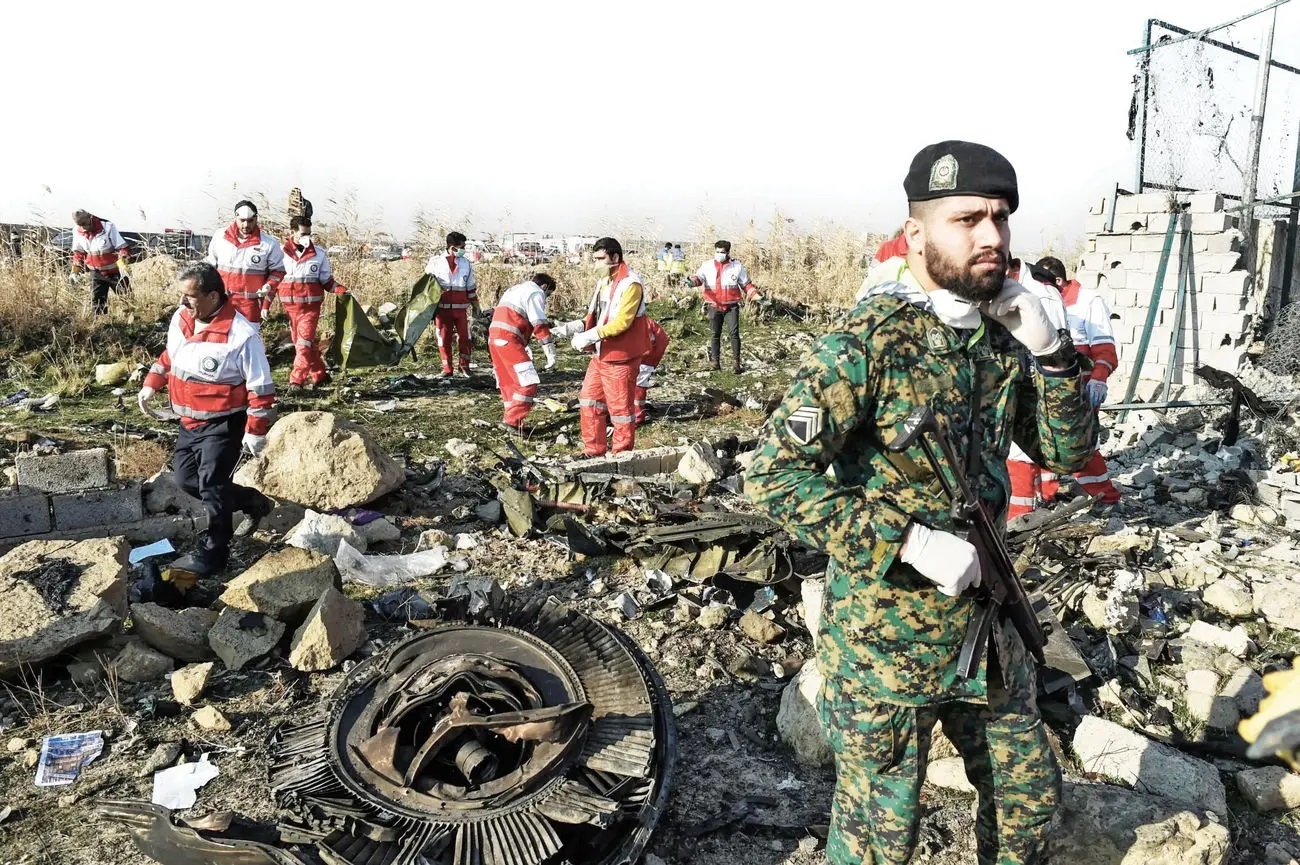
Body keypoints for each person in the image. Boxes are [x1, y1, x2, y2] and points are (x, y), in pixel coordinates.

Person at [745, 141, 1096, 865]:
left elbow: (1063, 453)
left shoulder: (1000, 340)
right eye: (967, 219)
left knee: (1029, 803)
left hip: (988, 627)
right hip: (885, 641)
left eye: (1001, 218)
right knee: (881, 839)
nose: (992, 236)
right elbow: (773, 473)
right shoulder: (867, 343)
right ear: (917, 235)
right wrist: (906, 541)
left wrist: (1056, 354)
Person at [138, 262, 276, 576]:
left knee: (212, 485)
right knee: (188, 481)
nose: (184, 302)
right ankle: (253, 501)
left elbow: (262, 388)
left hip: (224, 423)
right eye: (182, 296)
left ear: (213, 296)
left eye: (190, 296)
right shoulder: (181, 318)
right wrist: (151, 385)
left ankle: (215, 552)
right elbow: (170, 356)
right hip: (188, 421)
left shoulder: (242, 336)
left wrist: (255, 431)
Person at [1035, 255, 1122, 510]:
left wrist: (1098, 380)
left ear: (1058, 281)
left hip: (1081, 390)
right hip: (1049, 389)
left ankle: (1105, 498)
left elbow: (1105, 348)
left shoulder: (1087, 302)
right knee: (1043, 440)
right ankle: (1047, 495)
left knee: (1081, 447)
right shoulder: (1045, 301)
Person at [572, 237, 651, 455]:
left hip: (621, 357)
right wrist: (577, 328)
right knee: (589, 402)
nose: (596, 264)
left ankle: (621, 455)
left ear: (615, 257)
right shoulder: (605, 282)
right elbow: (600, 315)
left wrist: (591, 335)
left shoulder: (631, 284)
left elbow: (623, 322)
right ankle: (593, 450)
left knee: (620, 411)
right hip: (601, 354)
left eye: (600, 259)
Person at [263, 215, 348, 392]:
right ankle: (320, 375)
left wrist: (341, 290)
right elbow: (273, 283)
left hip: (310, 310)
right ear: (292, 232)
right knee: (304, 345)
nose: (306, 237)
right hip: (291, 311)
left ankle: (296, 381)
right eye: (303, 234)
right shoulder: (279, 254)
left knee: (302, 346)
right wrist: (265, 305)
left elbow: (327, 281)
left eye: (309, 234)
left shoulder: (319, 254)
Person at [488, 273, 574, 431]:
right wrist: (550, 351)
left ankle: (513, 422)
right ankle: (512, 421)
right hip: (509, 340)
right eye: (547, 295)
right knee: (528, 382)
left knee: (509, 383)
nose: (545, 299)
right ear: (544, 287)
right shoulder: (535, 292)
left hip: (495, 339)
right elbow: (539, 323)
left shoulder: (514, 290)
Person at [685, 240, 762, 372]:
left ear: (728, 252)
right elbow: (698, 278)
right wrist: (691, 282)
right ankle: (715, 362)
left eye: (722, 252)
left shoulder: (736, 266)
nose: (719, 254)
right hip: (714, 305)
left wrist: (757, 296)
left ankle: (736, 363)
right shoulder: (707, 265)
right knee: (715, 334)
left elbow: (746, 285)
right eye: (717, 251)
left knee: (734, 334)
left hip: (731, 306)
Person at [205, 200, 285, 325]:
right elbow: (210, 266)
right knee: (219, 340)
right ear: (235, 217)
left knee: (248, 340)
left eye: (250, 221)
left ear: (256, 219)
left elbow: (278, 271)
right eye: (242, 220)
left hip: (250, 304)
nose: (246, 225)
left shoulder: (268, 244)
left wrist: (269, 286)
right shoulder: (220, 237)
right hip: (221, 301)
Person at [425, 230, 480, 376]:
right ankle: (447, 369)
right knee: (444, 340)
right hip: (442, 310)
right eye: (461, 247)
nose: (463, 250)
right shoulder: (435, 263)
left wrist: (476, 306)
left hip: (461, 310)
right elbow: (427, 286)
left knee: (465, 339)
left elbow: (470, 286)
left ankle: (465, 368)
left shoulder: (466, 264)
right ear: (452, 247)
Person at [70, 210, 130, 315]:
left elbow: (123, 249)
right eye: (80, 225)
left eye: (84, 224)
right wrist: (74, 271)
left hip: (115, 272)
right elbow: (79, 253)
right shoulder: (77, 230)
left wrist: (123, 268)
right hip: (96, 273)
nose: (83, 228)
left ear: (90, 218)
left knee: (127, 299)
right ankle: (102, 326)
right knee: (97, 305)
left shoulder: (107, 227)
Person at [635, 317, 669, 425]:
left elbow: (648, 347)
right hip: (649, 351)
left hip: (648, 355)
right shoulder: (639, 321)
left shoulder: (641, 324)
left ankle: (637, 415)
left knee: (639, 382)